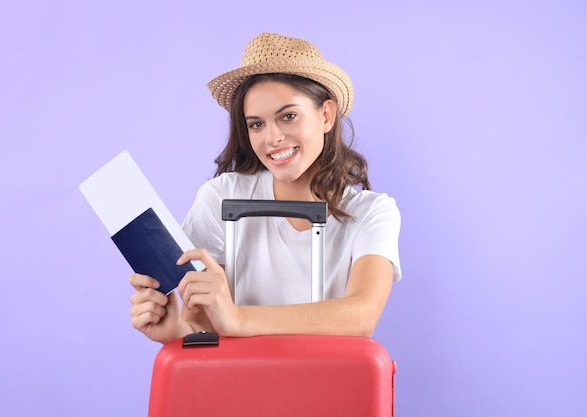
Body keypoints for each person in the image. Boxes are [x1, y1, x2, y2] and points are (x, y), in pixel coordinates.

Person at [129, 32, 401, 343]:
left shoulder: (372, 212)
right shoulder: (221, 197)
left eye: (288, 116)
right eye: (257, 124)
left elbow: (361, 316)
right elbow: (200, 324)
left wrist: (237, 318)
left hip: (327, 383)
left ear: (326, 115)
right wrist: (176, 331)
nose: (272, 138)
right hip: (239, 383)